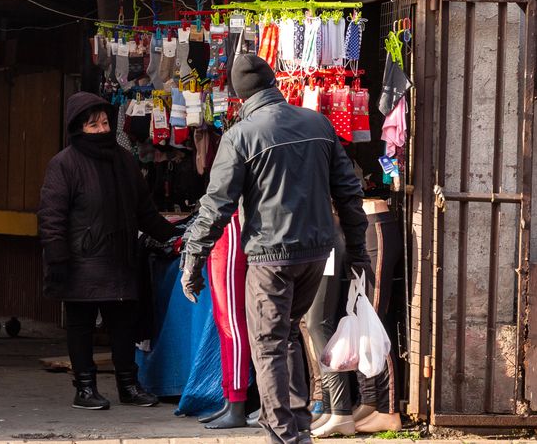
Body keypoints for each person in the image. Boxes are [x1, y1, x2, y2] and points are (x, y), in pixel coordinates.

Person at [180, 55, 368, 444]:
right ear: (273, 83)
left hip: (272, 256)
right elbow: (349, 192)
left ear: (239, 95)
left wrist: (193, 260)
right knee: (285, 337)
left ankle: (284, 435)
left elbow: (216, 206)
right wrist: (359, 251)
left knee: (268, 344)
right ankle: (297, 424)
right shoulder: (317, 123)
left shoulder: (240, 135)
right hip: (317, 252)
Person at [38, 91, 183, 410]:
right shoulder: (63, 165)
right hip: (80, 262)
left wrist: (175, 236)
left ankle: (128, 386)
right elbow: (51, 217)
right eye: (93, 125)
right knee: (81, 326)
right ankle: (85, 388)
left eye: (105, 122)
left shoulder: (125, 160)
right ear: (78, 128)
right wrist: (58, 256)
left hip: (120, 258)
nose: (102, 129)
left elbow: (145, 210)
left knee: (124, 326)